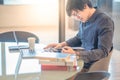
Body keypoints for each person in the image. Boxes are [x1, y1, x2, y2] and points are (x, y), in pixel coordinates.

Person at [44, 0, 114, 79]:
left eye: (76, 13)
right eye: (74, 16)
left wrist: (76, 54)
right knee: (49, 68)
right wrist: (62, 44)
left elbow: (103, 52)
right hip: (80, 61)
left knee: (57, 75)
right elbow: (79, 37)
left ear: (85, 6)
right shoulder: (84, 18)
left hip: (90, 67)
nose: (77, 18)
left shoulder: (104, 21)